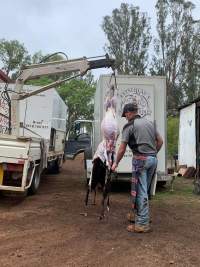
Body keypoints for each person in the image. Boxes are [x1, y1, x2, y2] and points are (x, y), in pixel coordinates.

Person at [111, 103, 163, 233]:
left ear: (129, 113)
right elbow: (160, 141)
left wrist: (115, 163)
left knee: (140, 192)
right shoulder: (149, 123)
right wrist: (152, 154)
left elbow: (122, 148)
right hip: (153, 160)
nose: (125, 117)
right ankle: (138, 216)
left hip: (141, 161)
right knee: (144, 190)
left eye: (125, 115)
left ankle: (142, 224)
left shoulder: (129, 126)